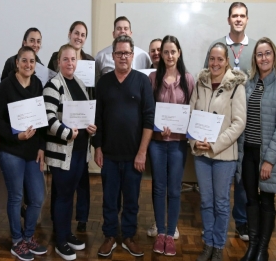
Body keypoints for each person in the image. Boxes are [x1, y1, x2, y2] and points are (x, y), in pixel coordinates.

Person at [93, 35, 155, 258]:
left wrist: (142, 152)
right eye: (118, 53)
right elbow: (97, 118)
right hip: (108, 155)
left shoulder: (142, 81)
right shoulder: (104, 83)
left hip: (133, 156)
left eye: (126, 53)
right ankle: (110, 236)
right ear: (113, 56)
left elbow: (149, 119)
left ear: (132, 55)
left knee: (131, 200)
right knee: (109, 200)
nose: (122, 57)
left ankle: (128, 236)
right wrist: (97, 147)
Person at [236, 37, 276, 261]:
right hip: (248, 153)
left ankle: (263, 249)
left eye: (267, 53)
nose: (264, 58)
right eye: (259, 54)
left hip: (268, 156)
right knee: (250, 199)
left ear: (274, 56)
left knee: (267, 201)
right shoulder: (248, 85)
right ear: (255, 59)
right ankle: (253, 245)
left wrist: (268, 160)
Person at [203, 1, 255, 241]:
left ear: (246, 19)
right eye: (234, 15)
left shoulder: (254, 47)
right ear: (228, 19)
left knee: (242, 173)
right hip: (218, 122)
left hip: (244, 117)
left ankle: (241, 220)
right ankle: (213, 228)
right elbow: (208, 78)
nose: (238, 19)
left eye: (242, 16)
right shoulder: (218, 46)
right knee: (219, 182)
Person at [192, 42, 246, 261]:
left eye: (220, 59)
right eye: (212, 59)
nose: (215, 63)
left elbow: (239, 123)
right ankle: (208, 244)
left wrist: (215, 144)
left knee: (221, 202)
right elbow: (191, 113)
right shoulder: (200, 82)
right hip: (201, 154)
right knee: (206, 200)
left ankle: (218, 246)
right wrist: (195, 142)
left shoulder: (236, 86)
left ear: (227, 61)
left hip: (223, 155)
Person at [43, 44, 97, 261]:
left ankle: (65, 233)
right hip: (62, 152)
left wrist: (90, 128)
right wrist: (67, 133)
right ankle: (60, 242)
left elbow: (85, 115)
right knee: (63, 196)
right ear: (59, 61)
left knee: (69, 195)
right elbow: (48, 119)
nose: (70, 63)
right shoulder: (53, 85)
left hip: (79, 152)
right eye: (65, 59)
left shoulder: (81, 84)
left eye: (73, 59)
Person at [0, 46, 47, 261]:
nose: (28, 65)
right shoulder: (5, 86)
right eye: (24, 61)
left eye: (32, 61)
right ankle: (17, 241)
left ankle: (28, 236)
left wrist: (41, 146)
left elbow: (42, 120)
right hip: (11, 149)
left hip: (32, 151)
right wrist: (17, 137)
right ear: (17, 62)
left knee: (37, 197)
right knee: (16, 196)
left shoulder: (37, 84)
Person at [148, 35, 194, 256]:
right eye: (165, 52)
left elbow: (192, 112)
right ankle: (159, 233)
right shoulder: (153, 78)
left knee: (174, 189)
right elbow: (149, 112)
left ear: (179, 52)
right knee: (158, 188)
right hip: (157, 143)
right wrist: (158, 128)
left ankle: (169, 234)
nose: (168, 56)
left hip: (178, 144)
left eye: (172, 51)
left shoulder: (188, 79)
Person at [95, 16, 151, 83]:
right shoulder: (101, 56)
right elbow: (97, 83)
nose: (122, 31)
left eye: (126, 28)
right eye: (119, 28)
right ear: (113, 34)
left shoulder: (144, 56)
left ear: (131, 33)